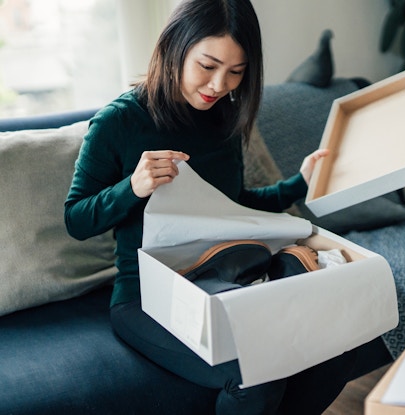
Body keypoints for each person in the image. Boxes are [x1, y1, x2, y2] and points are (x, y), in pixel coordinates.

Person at [64, 0, 356, 413]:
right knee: (256, 372)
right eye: (208, 65)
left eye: (236, 72)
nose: (220, 85)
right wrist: (133, 186)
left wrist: (301, 183)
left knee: (335, 348)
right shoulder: (118, 121)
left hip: (222, 279)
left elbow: (230, 206)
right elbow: (75, 219)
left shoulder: (224, 118)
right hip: (145, 298)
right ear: (175, 47)